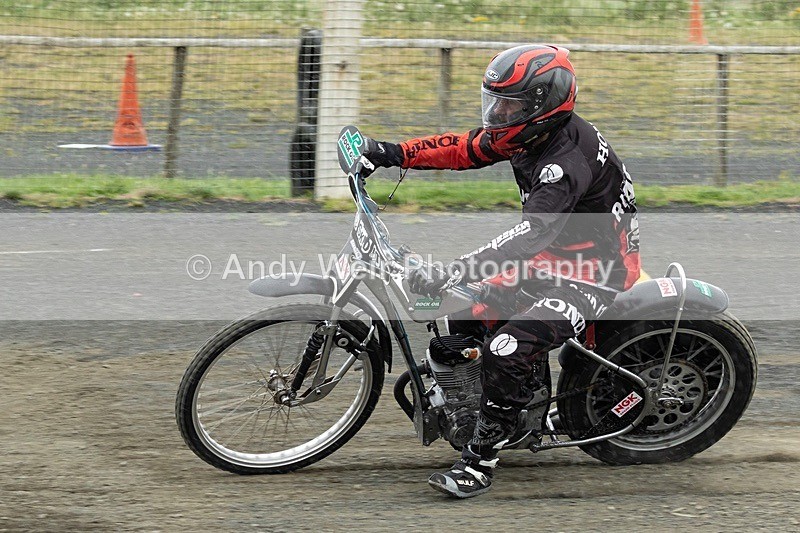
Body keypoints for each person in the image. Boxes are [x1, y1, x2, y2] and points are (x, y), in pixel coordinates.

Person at [360, 44, 641, 498]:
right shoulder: (529, 133)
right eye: (495, 99)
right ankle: (511, 400)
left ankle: (482, 457)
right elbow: (464, 148)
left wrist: (455, 268)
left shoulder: (562, 164)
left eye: (509, 103)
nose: (497, 112)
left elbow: (530, 236)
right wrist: (389, 152)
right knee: (464, 309)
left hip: (592, 273)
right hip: (553, 257)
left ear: (544, 105)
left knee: (507, 348)